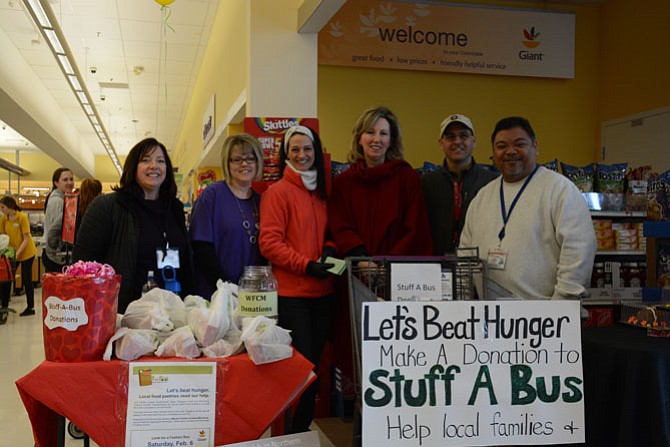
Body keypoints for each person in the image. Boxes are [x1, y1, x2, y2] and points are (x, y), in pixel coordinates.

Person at [459, 116, 596, 300]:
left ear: (535, 147)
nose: (510, 151)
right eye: (501, 146)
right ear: (493, 152)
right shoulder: (483, 196)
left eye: (519, 144)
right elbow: (465, 254)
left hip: (545, 319)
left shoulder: (559, 190)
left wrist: (561, 306)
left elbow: (579, 250)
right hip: (491, 316)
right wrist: (463, 301)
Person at [259, 126, 336, 434]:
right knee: (300, 370)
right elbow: (270, 243)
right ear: (285, 154)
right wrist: (305, 265)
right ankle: (291, 432)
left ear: (316, 152)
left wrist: (330, 248)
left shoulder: (323, 193)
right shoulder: (278, 192)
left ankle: (301, 431)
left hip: (324, 294)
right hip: (293, 296)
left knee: (315, 367)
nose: (302, 155)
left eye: (307, 149)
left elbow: (333, 232)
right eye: (295, 150)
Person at [73, 138, 194, 313]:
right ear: (133, 167)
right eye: (145, 160)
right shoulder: (108, 207)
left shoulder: (174, 209)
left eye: (160, 161)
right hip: (125, 316)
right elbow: (82, 265)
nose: (154, 166)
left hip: (173, 314)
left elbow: (185, 263)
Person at [328, 106, 433, 263]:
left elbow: (415, 228)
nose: (376, 139)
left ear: (391, 141)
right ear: (359, 138)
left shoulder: (407, 178)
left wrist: (388, 263)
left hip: (398, 272)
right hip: (355, 269)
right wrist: (361, 259)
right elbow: (340, 228)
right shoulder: (342, 183)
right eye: (370, 132)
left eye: (383, 133)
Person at [189, 133, 265, 299]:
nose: (244, 164)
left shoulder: (262, 201)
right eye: (236, 159)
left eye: (250, 158)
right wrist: (225, 287)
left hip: (252, 295)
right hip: (215, 292)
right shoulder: (212, 195)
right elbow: (201, 247)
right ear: (227, 163)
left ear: (258, 162)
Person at [421, 114, 498, 255]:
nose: (457, 142)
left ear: (473, 141)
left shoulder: (492, 182)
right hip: (436, 265)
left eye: (463, 136)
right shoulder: (426, 183)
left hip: (479, 264)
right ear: (441, 144)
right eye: (450, 137)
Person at [0, 197, 37, 316]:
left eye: (3, 207)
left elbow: (26, 238)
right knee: (7, 278)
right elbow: (3, 236)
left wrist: (18, 254)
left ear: (10, 206)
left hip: (26, 252)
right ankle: (4, 306)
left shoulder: (22, 217)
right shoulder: (4, 219)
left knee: (27, 279)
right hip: (11, 252)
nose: (1, 210)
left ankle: (30, 308)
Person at [43, 167, 74, 272]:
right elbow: (55, 231)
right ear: (56, 183)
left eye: (71, 179)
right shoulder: (57, 201)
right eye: (65, 180)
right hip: (55, 256)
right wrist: (58, 256)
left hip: (54, 254)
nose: (70, 182)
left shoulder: (63, 199)